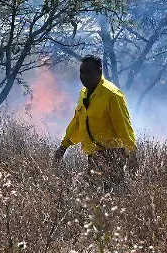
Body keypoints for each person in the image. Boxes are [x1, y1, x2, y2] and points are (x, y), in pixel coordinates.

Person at [53, 56, 139, 188]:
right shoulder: (84, 93)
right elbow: (78, 122)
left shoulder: (112, 94)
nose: (83, 76)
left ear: (99, 72)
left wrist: (132, 153)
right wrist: (63, 146)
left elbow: (123, 126)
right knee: (91, 197)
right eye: (81, 72)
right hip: (93, 156)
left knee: (109, 196)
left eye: (88, 72)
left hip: (113, 155)